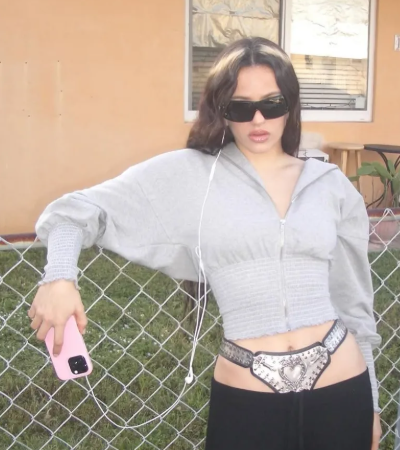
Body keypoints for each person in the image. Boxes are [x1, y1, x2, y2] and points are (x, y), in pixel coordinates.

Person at [29, 37, 382, 450]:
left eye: (272, 104)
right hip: (248, 399)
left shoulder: (330, 185)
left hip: (342, 388)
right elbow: (73, 211)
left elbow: (355, 307)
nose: (257, 118)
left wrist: (372, 406)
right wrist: (59, 278)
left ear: (290, 105)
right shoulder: (192, 175)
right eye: (240, 107)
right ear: (220, 110)